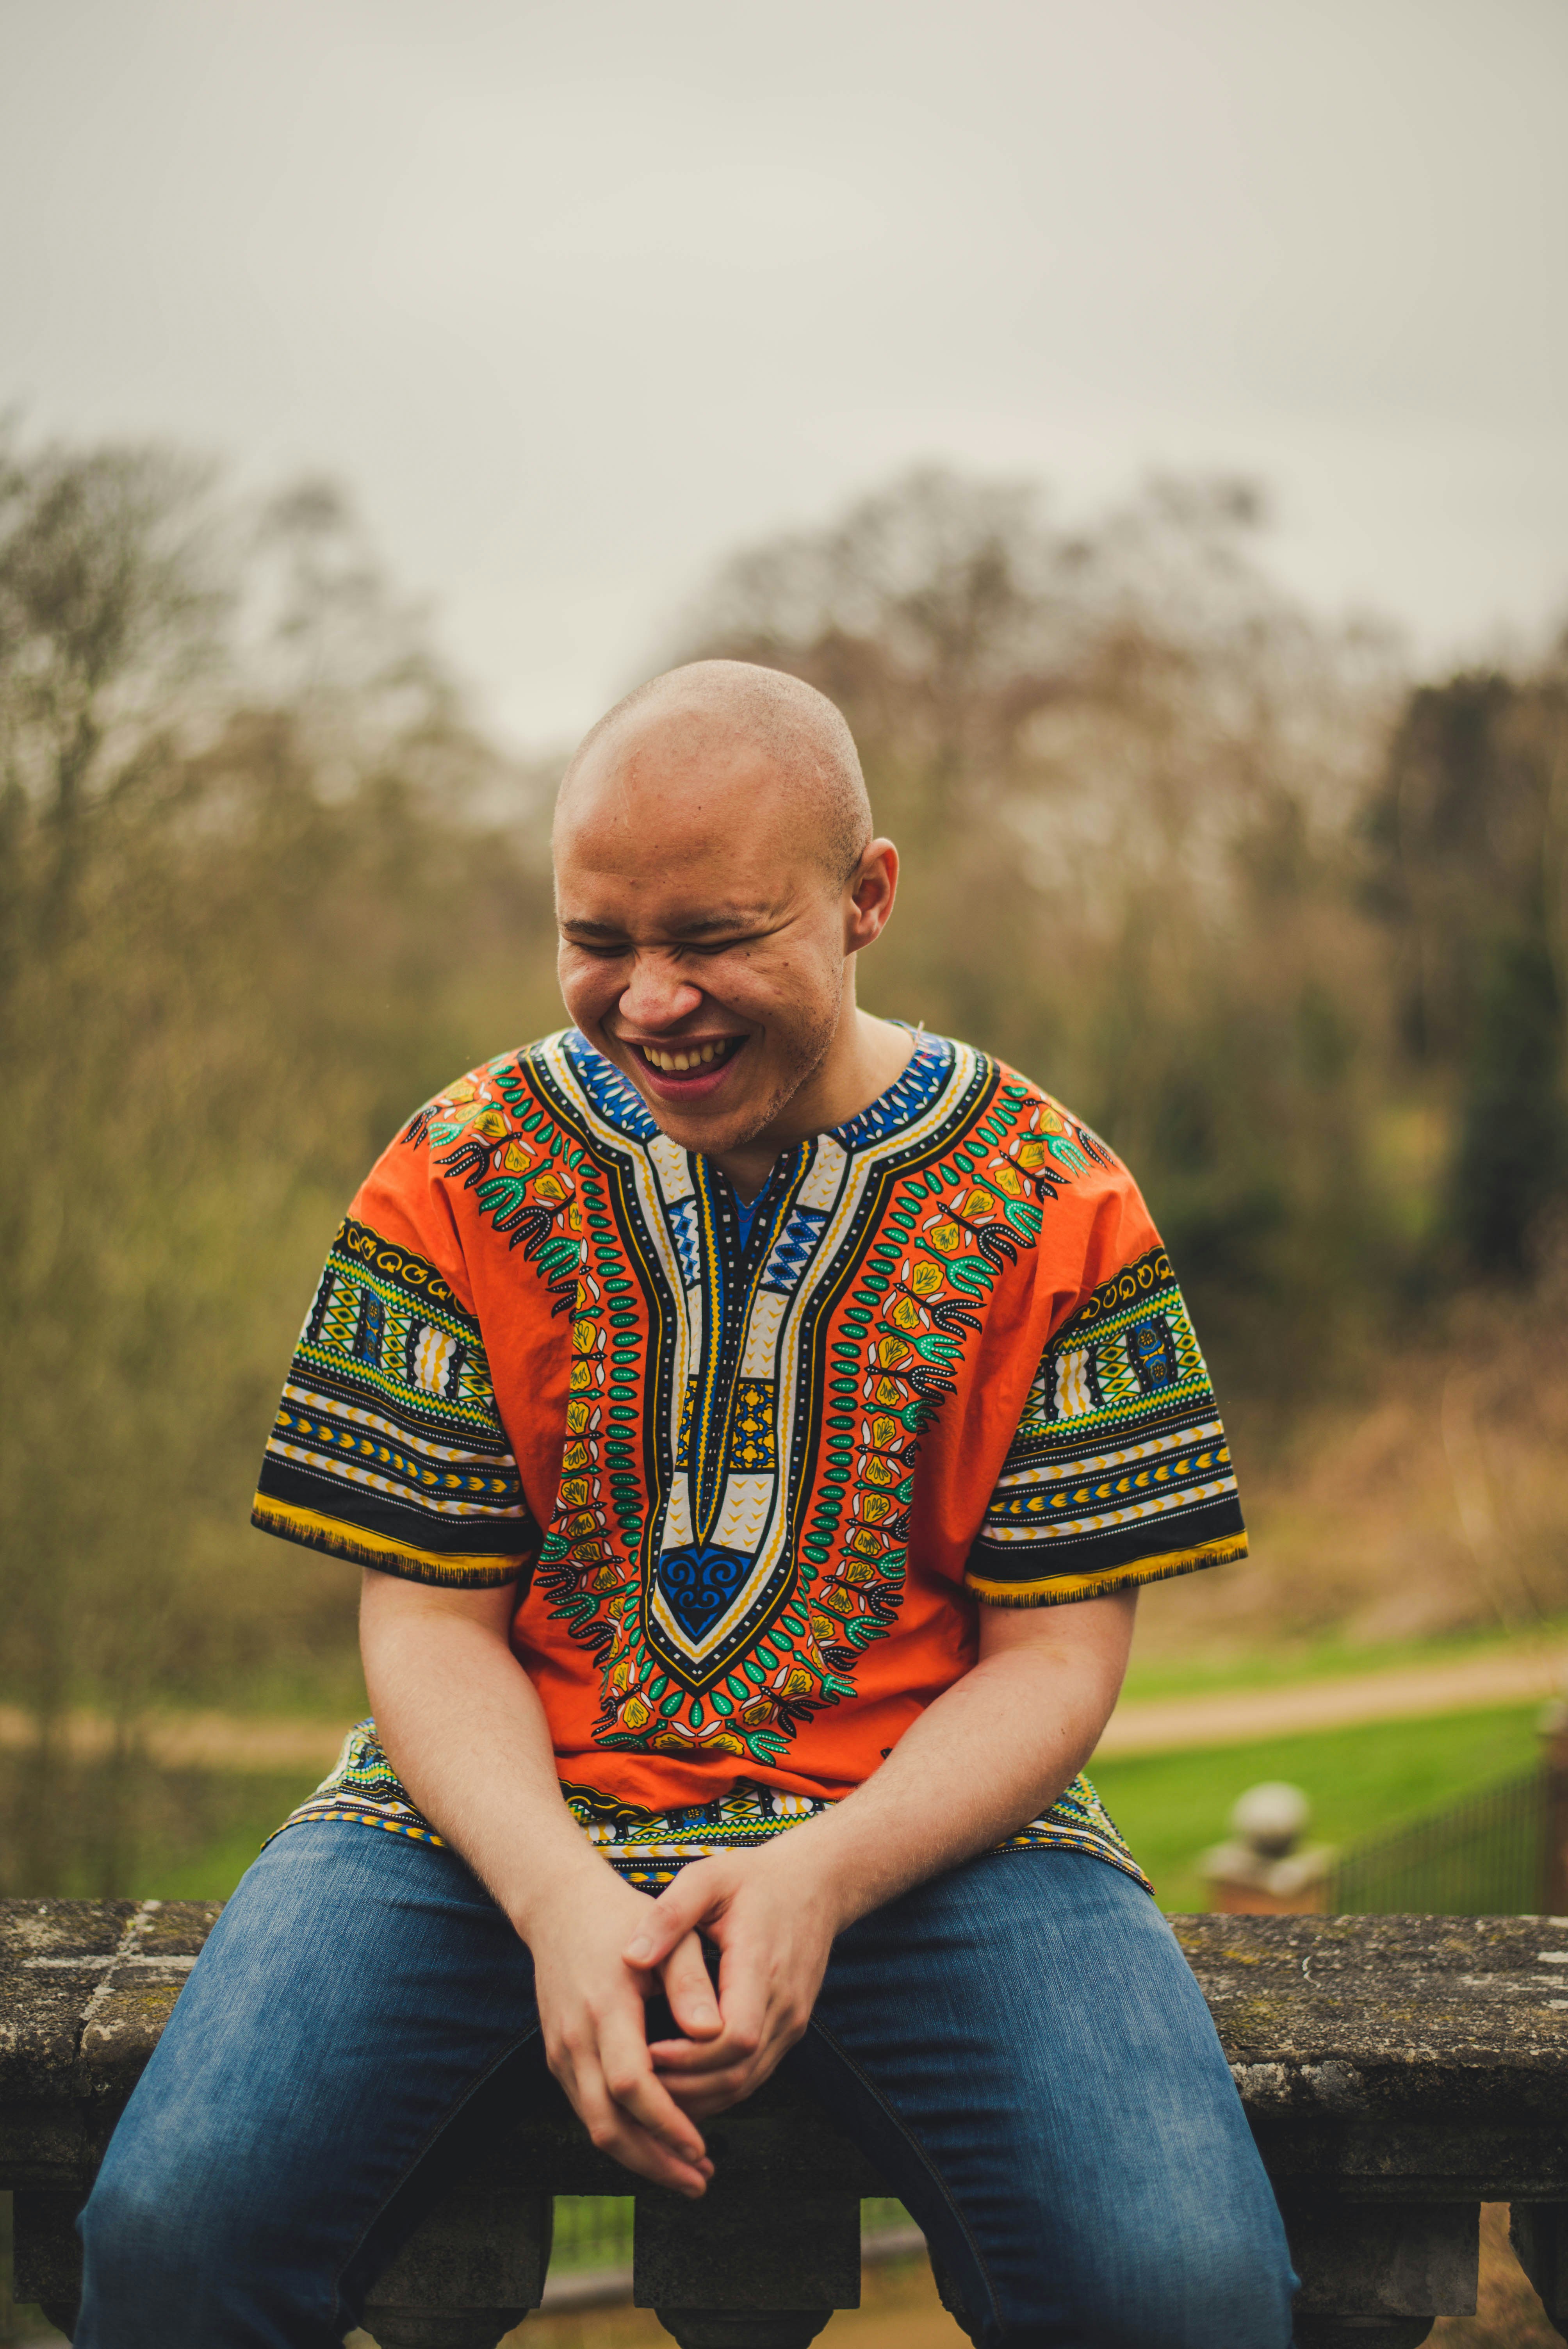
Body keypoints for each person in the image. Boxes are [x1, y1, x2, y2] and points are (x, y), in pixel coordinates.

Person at [76, 661, 1296, 2347]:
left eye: (715, 936)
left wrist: (821, 1874)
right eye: (597, 940)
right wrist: (558, 1893)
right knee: (167, 2234)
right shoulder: (456, 1168)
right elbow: (424, 1621)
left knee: (1184, 2291)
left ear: (865, 897)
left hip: (932, 1840)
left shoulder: (1055, 1204)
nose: (650, 999)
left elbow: (1056, 1661)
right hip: (472, 1828)